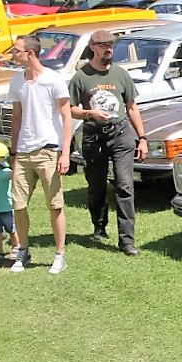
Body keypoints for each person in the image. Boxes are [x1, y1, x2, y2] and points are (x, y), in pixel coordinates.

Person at [69, 29, 144, 256]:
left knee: (124, 185)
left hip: (121, 134)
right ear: (93, 47)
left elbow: (131, 107)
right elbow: (71, 110)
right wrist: (90, 113)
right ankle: (99, 226)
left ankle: (127, 240)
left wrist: (142, 138)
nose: (108, 49)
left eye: (111, 45)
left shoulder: (121, 74)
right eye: (103, 45)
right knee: (96, 186)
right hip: (94, 136)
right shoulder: (81, 77)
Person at [7, 34, 73, 274]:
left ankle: (60, 253)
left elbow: (67, 118)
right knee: (18, 204)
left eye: (16, 51)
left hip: (48, 151)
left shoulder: (53, 80)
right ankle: (23, 250)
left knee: (55, 205)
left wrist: (65, 153)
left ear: (30, 53)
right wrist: (14, 152)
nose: (13, 55)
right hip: (23, 152)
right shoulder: (17, 82)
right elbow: (16, 118)